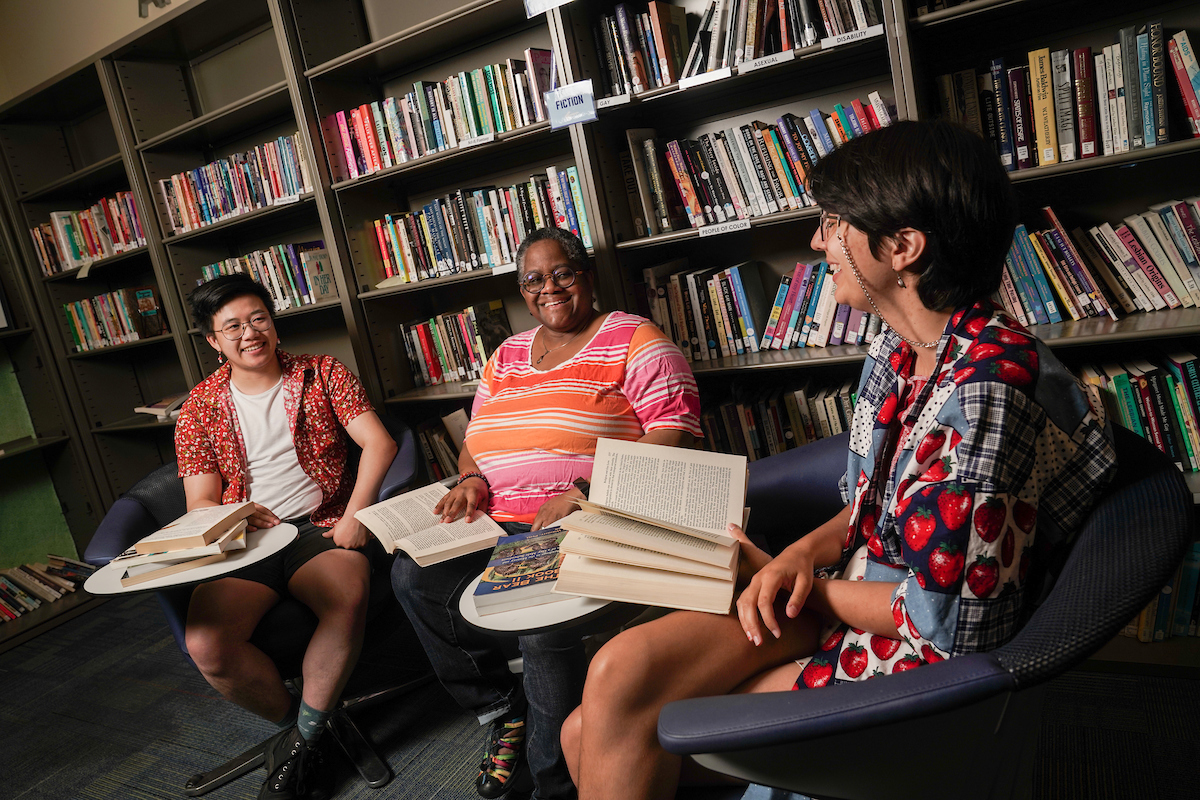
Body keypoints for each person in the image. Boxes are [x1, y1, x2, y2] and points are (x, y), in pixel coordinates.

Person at [560, 120, 1118, 800]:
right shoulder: (898, 347)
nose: (818, 240)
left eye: (834, 221)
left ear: (903, 247)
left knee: (602, 730)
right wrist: (799, 555)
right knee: (614, 680)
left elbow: (950, 624)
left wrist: (807, 586)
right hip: (849, 586)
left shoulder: (986, 401)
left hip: (913, 653)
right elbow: (869, 501)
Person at [391, 226, 701, 800]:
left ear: (585, 275)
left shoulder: (636, 337)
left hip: (584, 516)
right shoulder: (506, 354)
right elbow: (476, 437)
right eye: (534, 279)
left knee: (536, 617)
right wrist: (470, 478)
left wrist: (586, 486)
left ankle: (552, 778)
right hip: (496, 518)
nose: (549, 287)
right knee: (414, 578)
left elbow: (673, 433)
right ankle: (499, 710)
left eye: (562, 273)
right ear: (521, 289)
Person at [175, 273, 398, 800]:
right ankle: (306, 730)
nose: (250, 333)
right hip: (249, 539)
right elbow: (199, 503)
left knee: (346, 596)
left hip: (320, 525)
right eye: (233, 327)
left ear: (272, 322)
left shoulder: (323, 373)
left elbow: (379, 444)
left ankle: (304, 741)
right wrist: (235, 515)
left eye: (258, 318)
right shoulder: (200, 407)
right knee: (206, 644)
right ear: (213, 341)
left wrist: (357, 514)